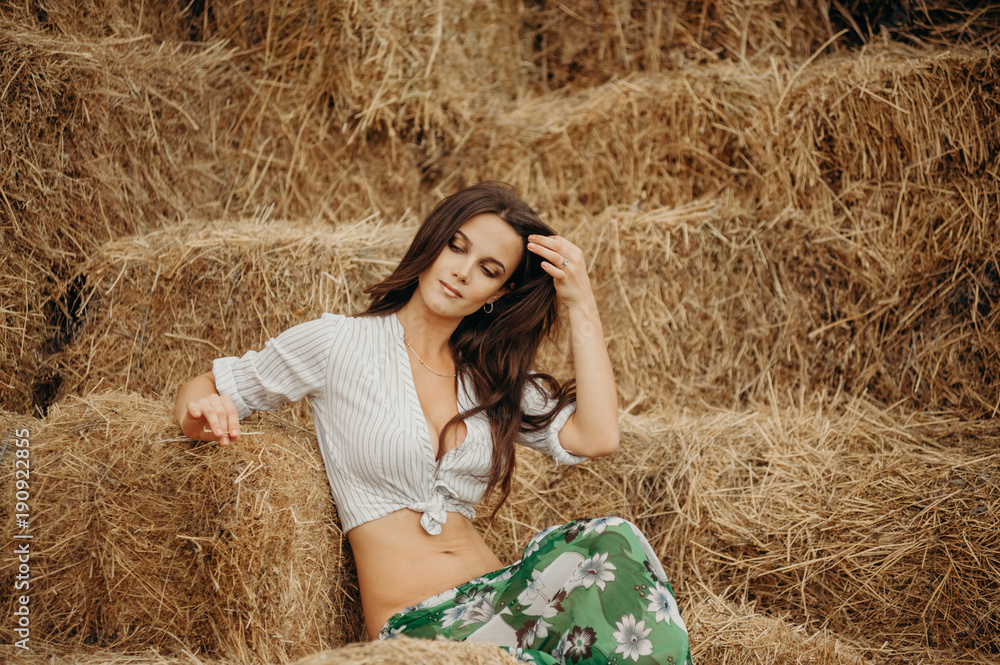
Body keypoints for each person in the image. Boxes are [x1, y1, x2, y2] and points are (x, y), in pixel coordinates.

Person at [174, 182, 692, 664]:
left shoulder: (490, 378)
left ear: (496, 295)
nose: (463, 271)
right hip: (420, 628)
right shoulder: (339, 344)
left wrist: (581, 304)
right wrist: (205, 413)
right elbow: (208, 389)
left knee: (612, 545)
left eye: (489, 270)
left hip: (504, 602)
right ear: (432, 243)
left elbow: (598, 436)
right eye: (457, 247)